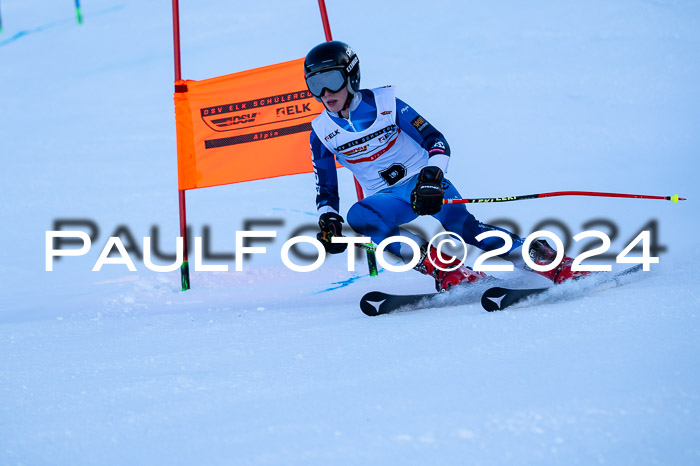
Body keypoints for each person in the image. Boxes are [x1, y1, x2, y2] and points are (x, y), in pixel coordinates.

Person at [304, 41, 588, 291]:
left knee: (463, 227)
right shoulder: (321, 131)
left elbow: (435, 139)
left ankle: (551, 263)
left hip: (424, 182)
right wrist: (328, 220)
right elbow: (326, 187)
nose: (326, 93)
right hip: (386, 197)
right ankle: (449, 270)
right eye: (316, 84)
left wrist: (431, 177)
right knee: (361, 217)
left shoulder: (386, 103)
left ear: (352, 75)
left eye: (332, 80)